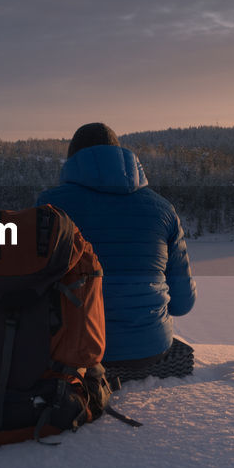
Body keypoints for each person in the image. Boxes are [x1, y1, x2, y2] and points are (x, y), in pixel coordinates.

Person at [37, 122, 196, 383]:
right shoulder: (163, 209)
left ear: (72, 160)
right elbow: (183, 303)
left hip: (75, 353)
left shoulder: (50, 205)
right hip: (151, 350)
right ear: (120, 154)